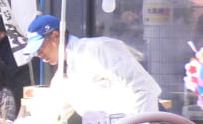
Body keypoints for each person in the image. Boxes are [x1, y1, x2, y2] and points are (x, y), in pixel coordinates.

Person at [26, 14, 161, 117]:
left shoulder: (98, 48)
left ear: (56, 36)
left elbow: (142, 87)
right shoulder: (61, 77)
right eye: (36, 51)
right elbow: (53, 113)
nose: (39, 54)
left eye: (40, 46)